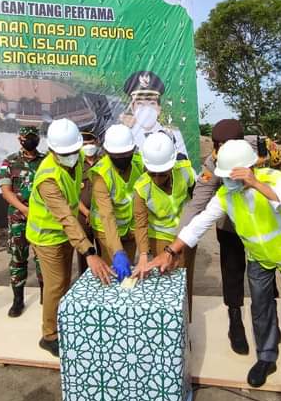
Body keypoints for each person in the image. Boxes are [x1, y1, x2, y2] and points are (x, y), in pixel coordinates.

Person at [144, 139, 281, 396]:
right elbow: (199, 223)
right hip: (259, 259)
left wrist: (256, 184)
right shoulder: (226, 195)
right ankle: (266, 357)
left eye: (230, 175)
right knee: (261, 309)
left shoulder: (273, 179)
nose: (226, 181)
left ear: (246, 169)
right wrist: (171, 251)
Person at [178, 119, 279, 356]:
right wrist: (179, 239)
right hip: (231, 225)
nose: (221, 149)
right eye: (217, 144)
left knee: (266, 273)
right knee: (232, 271)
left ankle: (269, 318)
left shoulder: (264, 150)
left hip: (262, 224)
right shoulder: (213, 162)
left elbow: (277, 183)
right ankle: (235, 321)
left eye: (227, 144)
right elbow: (198, 202)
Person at [26, 118, 113, 357]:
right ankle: (49, 335)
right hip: (47, 237)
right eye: (65, 152)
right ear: (52, 150)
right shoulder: (48, 178)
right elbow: (65, 217)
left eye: (74, 151)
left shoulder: (75, 162)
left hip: (64, 235)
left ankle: (60, 322)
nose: (72, 155)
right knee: (56, 284)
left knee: (65, 282)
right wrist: (89, 253)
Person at [132, 132, 196, 301]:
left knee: (184, 284)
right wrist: (144, 255)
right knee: (165, 289)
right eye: (153, 173)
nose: (158, 179)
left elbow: (197, 199)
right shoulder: (141, 188)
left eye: (163, 173)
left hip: (185, 237)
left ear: (172, 164)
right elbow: (140, 224)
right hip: (159, 240)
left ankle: (184, 323)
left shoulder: (185, 171)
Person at [0, 126, 45, 318]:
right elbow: (6, 190)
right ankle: (18, 300)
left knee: (43, 258)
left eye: (33, 137)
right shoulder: (10, 161)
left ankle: (45, 295)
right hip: (19, 218)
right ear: (20, 139)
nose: (29, 140)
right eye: (26, 137)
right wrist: (24, 209)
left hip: (42, 218)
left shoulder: (46, 161)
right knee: (18, 258)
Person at [89, 124, 144, 281]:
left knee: (130, 270)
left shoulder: (139, 163)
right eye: (117, 156)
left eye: (126, 154)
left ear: (133, 150)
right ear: (107, 152)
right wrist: (118, 251)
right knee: (111, 272)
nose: (122, 159)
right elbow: (107, 215)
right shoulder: (101, 173)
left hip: (130, 227)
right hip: (107, 229)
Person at [119, 70, 187, 158]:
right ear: (132, 108)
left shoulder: (173, 134)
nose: (146, 110)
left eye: (152, 103)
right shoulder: (125, 135)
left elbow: (184, 164)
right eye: (140, 104)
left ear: (159, 108)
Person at [77, 131, 101, 274]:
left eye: (91, 143)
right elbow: (72, 194)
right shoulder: (76, 164)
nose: (89, 147)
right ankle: (84, 279)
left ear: (96, 143)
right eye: (85, 145)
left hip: (102, 215)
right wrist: (87, 212)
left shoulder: (104, 161)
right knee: (85, 252)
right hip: (82, 215)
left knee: (105, 249)